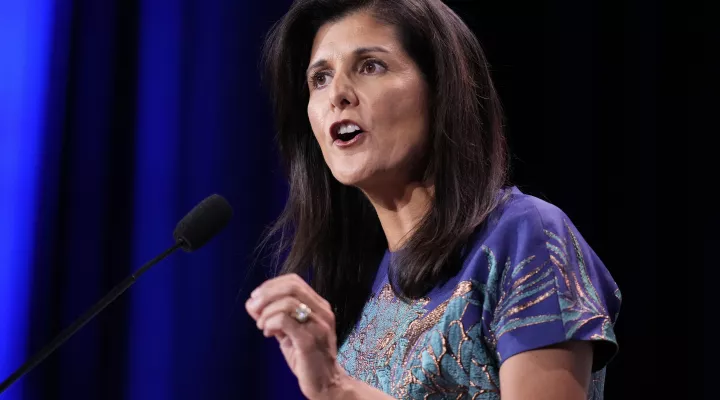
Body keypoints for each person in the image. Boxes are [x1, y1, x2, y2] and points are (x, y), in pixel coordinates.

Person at [245, 0, 621, 399]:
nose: (337, 94)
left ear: (441, 87)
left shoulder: (526, 236)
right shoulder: (366, 286)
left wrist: (340, 391)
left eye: (371, 66)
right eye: (319, 78)